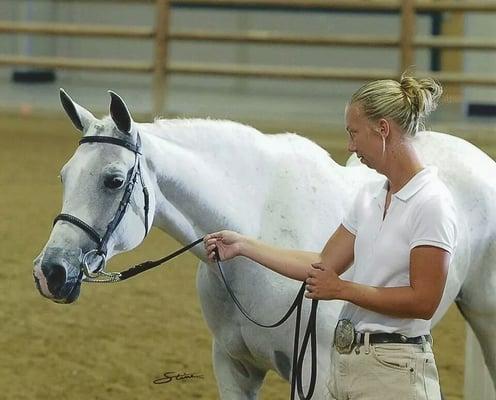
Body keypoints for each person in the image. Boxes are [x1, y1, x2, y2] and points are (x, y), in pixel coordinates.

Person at [203, 74, 457, 400]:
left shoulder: (431, 202)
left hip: (396, 371)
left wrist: (342, 290)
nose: (350, 146)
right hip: (347, 363)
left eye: (354, 133)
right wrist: (245, 246)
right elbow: (324, 263)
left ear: (383, 129)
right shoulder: (370, 197)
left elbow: (424, 301)